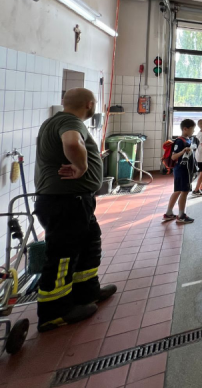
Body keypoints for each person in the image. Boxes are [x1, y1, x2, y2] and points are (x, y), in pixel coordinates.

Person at [33, 88, 116, 332]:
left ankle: (86, 291)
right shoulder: (69, 121)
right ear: (90, 104)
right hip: (66, 202)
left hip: (74, 201)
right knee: (62, 255)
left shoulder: (53, 121)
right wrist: (81, 167)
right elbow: (71, 141)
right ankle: (54, 311)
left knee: (90, 241)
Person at [163, 119, 197, 224]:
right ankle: (181, 215)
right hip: (182, 170)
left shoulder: (189, 139)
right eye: (192, 129)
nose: (193, 131)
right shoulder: (180, 141)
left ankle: (168, 213)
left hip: (186, 170)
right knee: (184, 192)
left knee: (177, 191)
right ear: (185, 129)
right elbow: (173, 157)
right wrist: (183, 151)